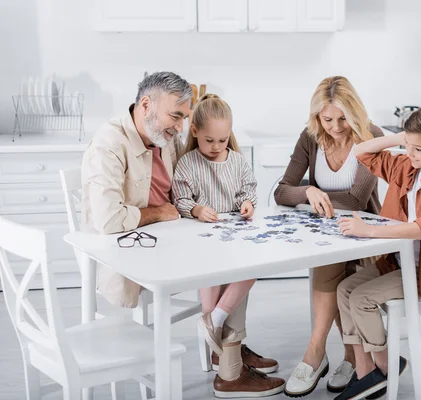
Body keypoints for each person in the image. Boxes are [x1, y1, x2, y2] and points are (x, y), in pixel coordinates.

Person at [333, 105, 421, 400]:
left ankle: (384, 368)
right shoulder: (409, 165)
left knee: (361, 297)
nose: (410, 153)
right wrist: (401, 138)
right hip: (398, 263)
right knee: (344, 289)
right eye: (407, 146)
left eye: (418, 148)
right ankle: (366, 371)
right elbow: (362, 152)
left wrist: (369, 231)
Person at [274, 76, 383, 397]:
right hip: (325, 234)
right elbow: (282, 191)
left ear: (356, 112)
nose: (336, 127)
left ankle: (315, 355)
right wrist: (307, 190)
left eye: (342, 118)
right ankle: (343, 357)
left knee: (334, 271)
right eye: (327, 119)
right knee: (329, 263)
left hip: (368, 236)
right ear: (317, 117)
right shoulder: (310, 138)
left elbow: (355, 200)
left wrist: (310, 195)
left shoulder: (371, 137)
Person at [172, 94, 284, 398]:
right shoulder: (188, 163)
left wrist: (247, 203)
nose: (217, 146)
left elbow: (248, 191)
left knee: (253, 267)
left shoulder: (236, 160)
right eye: (210, 140)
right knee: (212, 281)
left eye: (223, 140)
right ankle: (219, 343)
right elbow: (180, 198)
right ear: (194, 131)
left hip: (235, 238)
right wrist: (195, 210)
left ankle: (216, 324)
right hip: (204, 242)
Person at [81, 71, 191, 308]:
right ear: (145, 105)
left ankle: (226, 341)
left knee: (234, 267)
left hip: (172, 237)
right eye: (175, 116)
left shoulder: (164, 136)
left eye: (184, 118)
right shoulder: (108, 144)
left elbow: (190, 176)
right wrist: (160, 213)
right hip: (127, 251)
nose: (180, 127)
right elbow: (108, 220)